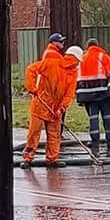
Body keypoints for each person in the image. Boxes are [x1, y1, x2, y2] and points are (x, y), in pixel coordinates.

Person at [21, 34, 78, 167]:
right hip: (41, 104)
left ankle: (51, 159)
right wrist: (33, 88)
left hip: (54, 108)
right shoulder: (51, 62)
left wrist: (61, 108)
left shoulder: (71, 73)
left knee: (53, 135)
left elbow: (68, 95)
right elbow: (31, 70)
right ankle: (29, 158)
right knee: (35, 133)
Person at [73, 40, 110, 153]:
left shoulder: (82, 59)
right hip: (103, 93)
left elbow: (76, 78)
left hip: (87, 95)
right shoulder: (102, 56)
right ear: (97, 45)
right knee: (108, 117)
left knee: (93, 118)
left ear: (87, 47)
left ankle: (95, 141)